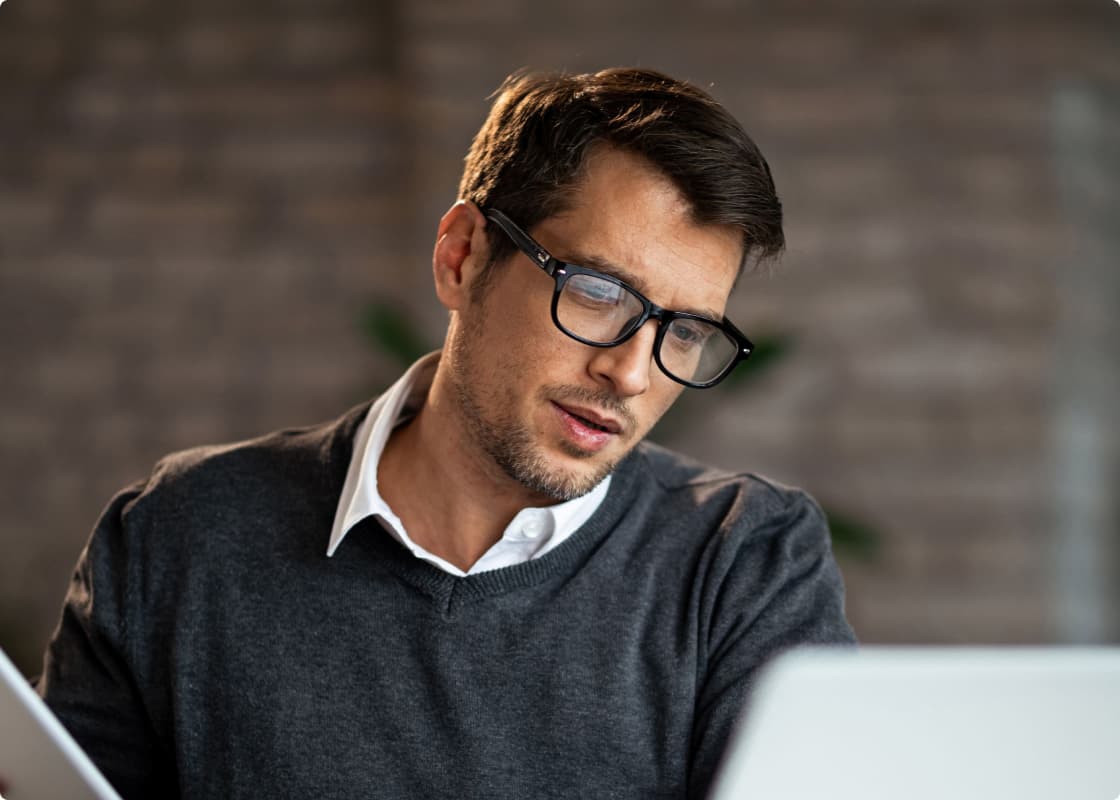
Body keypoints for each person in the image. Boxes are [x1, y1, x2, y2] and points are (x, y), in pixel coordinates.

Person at [35, 67, 855, 799]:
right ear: (462, 257)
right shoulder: (177, 535)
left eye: (686, 332)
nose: (632, 374)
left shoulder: (744, 561)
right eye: (600, 293)